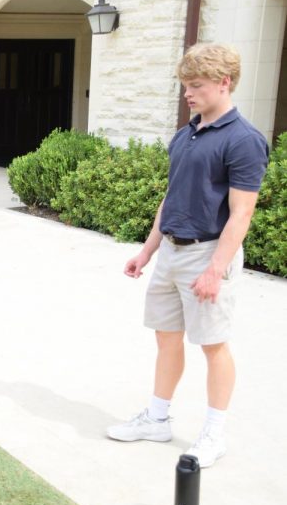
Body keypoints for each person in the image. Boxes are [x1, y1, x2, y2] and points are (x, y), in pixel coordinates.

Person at [107, 43, 268, 468]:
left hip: (209, 254)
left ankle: (214, 434)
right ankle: (157, 419)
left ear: (224, 83)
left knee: (214, 345)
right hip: (172, 253)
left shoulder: (244, 140)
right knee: (166, 338)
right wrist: (147, 251)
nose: (188, 94)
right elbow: (172, 196)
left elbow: (242, 212)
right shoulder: (186, 134)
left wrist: (216, 270)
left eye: (196, 86)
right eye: (185, 86)